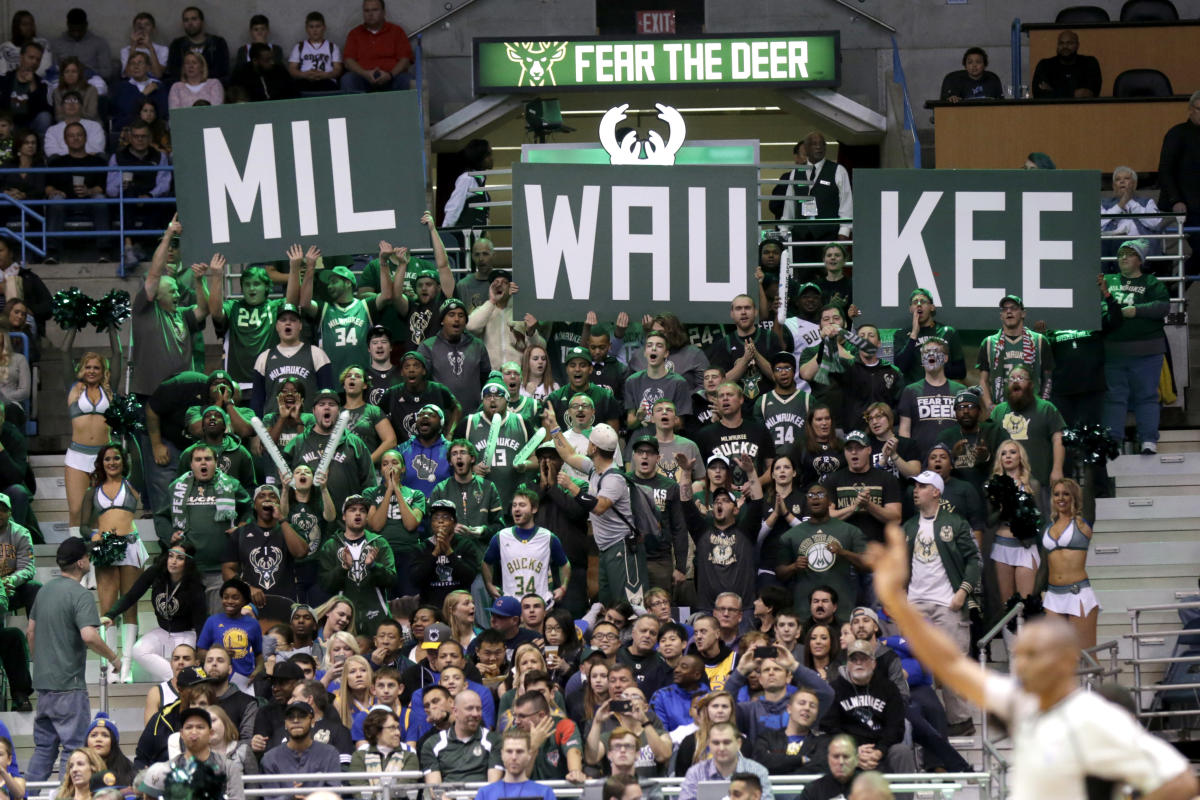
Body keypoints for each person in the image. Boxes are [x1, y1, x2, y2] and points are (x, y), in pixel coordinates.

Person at [872, 519, 1199, 800]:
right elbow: (952, 665)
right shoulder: (1025, 703)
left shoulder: (1094, 718)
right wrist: (896, 601)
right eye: (1021, 654)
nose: (1022, 663)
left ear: (1066, 660)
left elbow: (1182, 782)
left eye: (1033, 655)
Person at [27, 538, 119, 781]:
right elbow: (88, 635)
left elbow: (31, 632)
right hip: (69, 687)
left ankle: (28, 795)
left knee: (44, 748)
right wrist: (114, 657)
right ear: (80, 563)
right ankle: (66, 796)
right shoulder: (81, 595)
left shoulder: (44, 590)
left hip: (44, 685)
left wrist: (41, 663)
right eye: (87, 557)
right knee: (73, 748)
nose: (89, 560)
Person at [903, 470, 980, 736]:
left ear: (936, 491)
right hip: (915, 606)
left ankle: (960, 722)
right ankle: (920, 723)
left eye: (922, 486)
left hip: (948, 604)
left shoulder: (956, 523)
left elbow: (975, 560)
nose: (916, 490)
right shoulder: (909, 526)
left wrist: (963, 592)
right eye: (915, 486)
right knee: (914, 667)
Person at [542, 407, 646, 606]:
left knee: (627, 604)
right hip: (606, 548)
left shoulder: (613, 477)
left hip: (621, 547)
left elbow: (599, 507)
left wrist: (572, 487)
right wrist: (554, 426)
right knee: (607, 603)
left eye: (590, 442)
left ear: (594, 448)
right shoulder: (595, 469)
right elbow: (569, 455)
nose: (587, 445)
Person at [77, 443, 147, 683]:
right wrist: (93, 536)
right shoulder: (92, 492)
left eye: (116, 458)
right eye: (107, 459)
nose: (112, 462)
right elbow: (84, 525)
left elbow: (138, 458)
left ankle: (127, 667)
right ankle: (109, 666)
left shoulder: (132, 484)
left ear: (123, 460)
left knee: (130, 606)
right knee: (107, 610)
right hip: (105, 549)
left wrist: (127, 429)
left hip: (130, 546)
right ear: (101, 462)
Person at [1102, 241, 1170, 454]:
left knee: (1147, 396)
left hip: (1148, 353)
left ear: (1140, 260)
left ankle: (1148, 439)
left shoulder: (1151, 282)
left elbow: (1163, 306)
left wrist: (1136, 311)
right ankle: (1114, 440)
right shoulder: (1108, 281)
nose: (1123, 258)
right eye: (1121, 254)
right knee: (1114, 397)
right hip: (1113, 352)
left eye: (1129, 255)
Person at [778, 482, 866, 615]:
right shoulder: (791, 536)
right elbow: (779, 572)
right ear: (806, 501)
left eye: (820, 494)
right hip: (804, 611)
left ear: (830, 502)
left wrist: (843, 552)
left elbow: (868, 564)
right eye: (810, 495)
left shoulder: (850, 531)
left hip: (842, 609)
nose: (815, 498)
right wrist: (793, 567)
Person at [318, 495, 396, 634]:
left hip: (377, 617)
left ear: (367, 517)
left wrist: (374, 566)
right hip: (343, 620)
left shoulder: (380, 543)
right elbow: (325, 585)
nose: (358, 513)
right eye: (352, 510)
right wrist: (343, 568)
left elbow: (392, 580)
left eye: (362, 510)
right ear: (344, 516)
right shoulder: (331, 546)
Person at [988, 364, 1066, 490]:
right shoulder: (998, 411)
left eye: (1020, 378)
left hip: (1040, 482)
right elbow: (990, 443)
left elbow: (1058, 439)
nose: (1015, 382)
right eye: (1012, 379)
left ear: (1031, 384)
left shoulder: (1046, 408)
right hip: (1005, 485)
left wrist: (1057, 469)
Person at [1042, 478, 1098, 648]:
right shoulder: (1047, 527)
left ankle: (1093, 676)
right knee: (1057, 656)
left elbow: (1090, 490)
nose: (1061, 498)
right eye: (1057, 494)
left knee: (1086, 654)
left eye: (1066, 494)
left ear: (1073, 497)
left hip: (1078, 592)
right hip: (1053, 595)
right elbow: (1044, 565)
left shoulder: (1082, 523)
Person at [898, 337, 967, 457]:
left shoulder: (960, 391)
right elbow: (904, 430)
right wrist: (907, 458)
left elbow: (968, 427)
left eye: (936, 351)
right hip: (920, 461)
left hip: (955, 460)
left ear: (945, 358)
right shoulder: (910, 391)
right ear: (921, 358)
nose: (931, 354)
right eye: (926, 352)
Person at [259, 702, 342, 800]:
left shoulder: (330, 753)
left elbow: (334, 794)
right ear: (285, 724)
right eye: (290, 717)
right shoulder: (270, 758)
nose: (296, 720)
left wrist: (311, 796)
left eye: (302, 716)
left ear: (312, 722)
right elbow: (270, 798)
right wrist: (291, 796)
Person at [1157, 90, 1200, 277]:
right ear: (1190, 110)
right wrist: (1176, 200)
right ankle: (1174, 291)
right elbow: (1165, 170)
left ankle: (1175, 290)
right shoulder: (1177, 134)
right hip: (1182, 206)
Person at [162, 708, 243, 800]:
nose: (194, 732)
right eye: (189, 727)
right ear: (182, 734)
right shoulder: (169, 768)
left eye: (200, 727)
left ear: (210, 733)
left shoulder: (228, 766)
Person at [678, 722, 773, 800]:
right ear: (708, 744)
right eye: (716, 743)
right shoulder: (695, 773)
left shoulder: (757, 771)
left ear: (738, 744)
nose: (721, 748)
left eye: (727, 742)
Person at [421, 690, 499, 784]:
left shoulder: (494, 740)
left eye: (478, 709)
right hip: (447, 797)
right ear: (455, 711)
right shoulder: (432, 744)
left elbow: (493, 786)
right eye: (469, 708)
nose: (475, 714)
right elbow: (435, 789)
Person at [890, 288, 967, 385]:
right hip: (915, 392)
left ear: (932, 307)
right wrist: (913, 335)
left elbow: (961, 372)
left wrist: (936, 366)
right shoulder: (901, 334)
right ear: (911, 309)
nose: (918, 304)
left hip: (942, 392)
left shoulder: (948, 332)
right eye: (915, 302)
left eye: (923, 301)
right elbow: (900, 368)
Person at [342, 0, 414, 93]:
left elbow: (405, 59)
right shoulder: (354, 33)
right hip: (364, 78)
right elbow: (348, 60)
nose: (370, 14)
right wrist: (364, 74)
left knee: (407, 80)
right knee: (347, 79)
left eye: (375, 10)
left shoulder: (397, 31)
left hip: (392, 77)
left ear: (383, 12)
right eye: (367, 11)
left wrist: (390, 75)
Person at [167, 6, 230, 84]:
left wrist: (199, 80)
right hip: (184, 86)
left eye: (194, 19)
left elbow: (222, 70)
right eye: (186, 20)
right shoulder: (177, 44)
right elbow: (173, 70)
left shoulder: (218, 42)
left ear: (202, 22)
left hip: (211, 86)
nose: (190, 23)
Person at [1032, 30, 1101, 99]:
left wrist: (1052, 90)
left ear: (1077, 45)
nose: (1065, 46)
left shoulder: (1089, 63)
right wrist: (1073, 94)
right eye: (1061, 43)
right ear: (1057, 46)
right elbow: (1039, 95)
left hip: (1085, 109)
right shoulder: (1045, 65)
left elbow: (1091, 93)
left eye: (1070, 43)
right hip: (1051, 109)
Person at [0, 43, 51, 134]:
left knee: (45, 117)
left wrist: (32, 83)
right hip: (9, 124)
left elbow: (42, 109)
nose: (34, 62)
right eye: (31, 58)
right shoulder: (6, 78)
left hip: (31, 123)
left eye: (38, 60)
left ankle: (39, 146)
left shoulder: (41, 83)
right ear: (21, 57)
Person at [50, 9, 111, 85]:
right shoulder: (57, 43)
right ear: (68, 25)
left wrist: (86, 73)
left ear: (86, 25)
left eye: (80, 30)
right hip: (64, 82)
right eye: (73, 30)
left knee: (99, 86)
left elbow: (107, 72)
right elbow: (55, 69)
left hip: (90, 82)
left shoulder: (99, 43)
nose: (76, 34)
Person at [289, 11, 343, 92]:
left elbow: (338, 69)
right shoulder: (300, 46)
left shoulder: (332, 47)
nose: (315, 30)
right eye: (311, 27)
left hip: (327, 81)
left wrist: (325, 75)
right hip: (305, 81)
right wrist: (305, 75)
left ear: (324, 28)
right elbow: (292, 69)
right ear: (306, 29)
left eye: (318, 26)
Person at [797, 735, 859, 800]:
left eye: (846, 757)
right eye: (836, 756)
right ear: (828, 759)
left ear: (856, 759)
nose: (841, 762)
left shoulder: (868, 787)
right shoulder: (814, 789)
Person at [43, 91, 104, 156]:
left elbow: (97, 149)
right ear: (61, 107)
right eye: (67, 101)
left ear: (82, 106)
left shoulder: (95, 126)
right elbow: (51, 153)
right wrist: (79, 153)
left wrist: (66, 153)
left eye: (75, 100)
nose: (71, 104)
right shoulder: (52, 130)